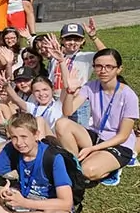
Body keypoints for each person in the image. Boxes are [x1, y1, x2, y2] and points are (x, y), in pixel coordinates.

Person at [56, 48, 138, 186]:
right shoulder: (91, 86)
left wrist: (92, 149)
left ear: (119, 69)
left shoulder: (129, 96)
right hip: (96, 135)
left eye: (109, 67)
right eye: (99, 66)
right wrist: (70, 91)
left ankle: (111, 169)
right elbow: (67, 112)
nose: (103, 70)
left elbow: (123, 136)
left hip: (119, 144)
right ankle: (75, 162)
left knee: (88, 170)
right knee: (61, 123)